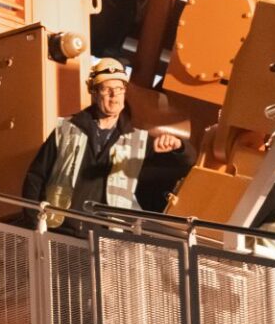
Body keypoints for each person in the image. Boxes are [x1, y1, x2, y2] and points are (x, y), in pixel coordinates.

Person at [21, 58, 182, 227]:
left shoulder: (139, 140)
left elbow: (183, 165)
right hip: (59, 229)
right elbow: (35, 177)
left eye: (119, 89)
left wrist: (179, 147)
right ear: (94, 92)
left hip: (106, 234)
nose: (114, 95)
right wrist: (33, 221)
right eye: (107, 89)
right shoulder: (66, 129)